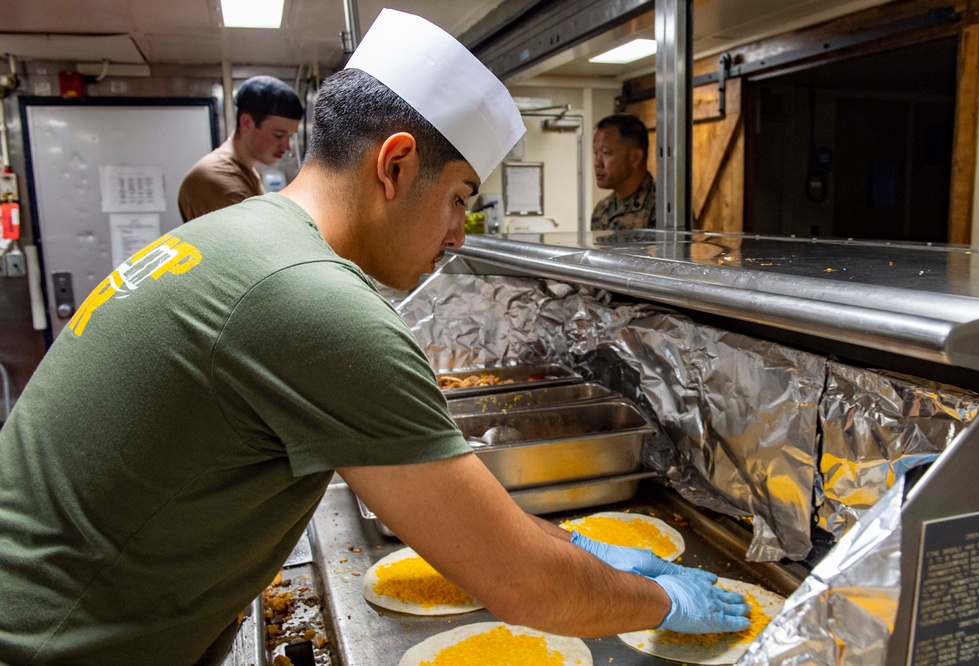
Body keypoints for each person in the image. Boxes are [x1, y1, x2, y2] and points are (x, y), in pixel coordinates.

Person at [0, 10, 749, 666]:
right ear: (395, 164)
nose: (458, 235)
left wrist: (579, 547)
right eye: (457, 197)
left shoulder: (244, 235)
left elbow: (478, 521)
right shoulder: (314, 303)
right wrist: (657, 600)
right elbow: (524, 586)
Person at [177, 75, 304, 222]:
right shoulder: (220, 179)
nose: (286, 147)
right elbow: (254, 242)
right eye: (279, 135)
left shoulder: (244, 170)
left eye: (290, 136)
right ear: (247, 123)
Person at [591, 113, 657, 230]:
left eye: (606, 153)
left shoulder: (663, 210)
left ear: (635, 157)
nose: (597, 163)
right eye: (596, 153)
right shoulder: (601, 210)